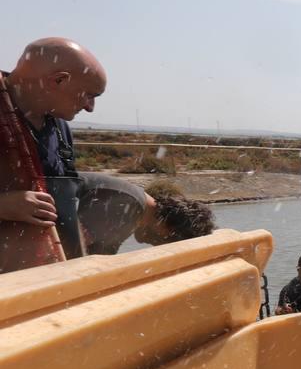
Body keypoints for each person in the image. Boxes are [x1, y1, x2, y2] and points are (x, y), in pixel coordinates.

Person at [0, 38, 108, 263]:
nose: (90, 108)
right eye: (89, 95)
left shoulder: (60, 130)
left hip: (41, 276)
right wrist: (5, 206)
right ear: (58, 80)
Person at [76, 174, 215, 253]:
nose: (155, 246)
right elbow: (72, 253)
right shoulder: (128, 206)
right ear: (172, 230)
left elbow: (99, 259)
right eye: (167, 243)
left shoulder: (134, 211)